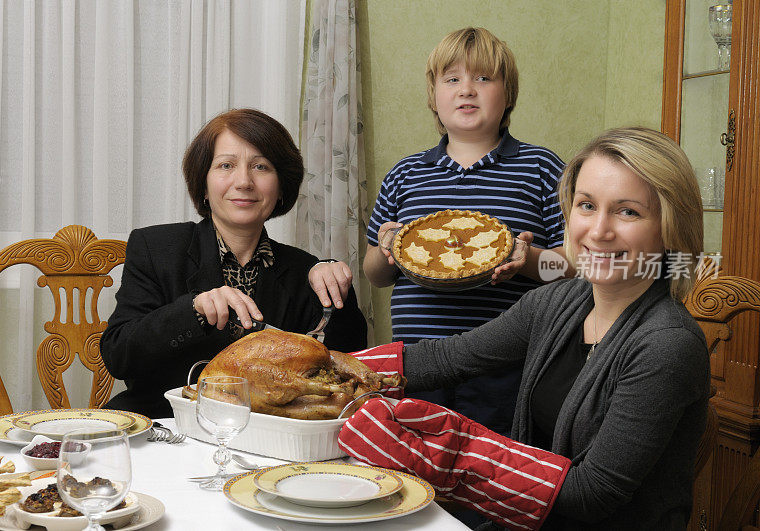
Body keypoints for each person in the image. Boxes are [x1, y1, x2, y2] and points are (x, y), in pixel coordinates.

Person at [340, 127, 709, 530]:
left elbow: (592, 493)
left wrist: (447, 452)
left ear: (671, 227)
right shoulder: (557, 302)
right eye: (586, 206)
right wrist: (329, 367)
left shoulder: (667, 343)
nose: (599, 231)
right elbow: (449, 357)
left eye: (628, 212)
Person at [364, 27, 568, 438]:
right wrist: (387, 245)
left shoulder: (542, 168)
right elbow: (375, 274)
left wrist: (525, 259)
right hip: (417, 363)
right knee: (416, 471)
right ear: (434, 96)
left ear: (508, 94)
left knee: (491, 474)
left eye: (483, 78)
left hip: (506, 365)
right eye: (452, 79)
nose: (466, 90)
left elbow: (568, 270)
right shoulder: (406, 175)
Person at [101, 109, 368, 418]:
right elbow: (119, 355)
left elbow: (347, 372)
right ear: (203, 182)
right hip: (163, 427)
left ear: (281, 187)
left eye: (261, 167)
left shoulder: (305, 270)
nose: (244, 181)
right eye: (226, 165)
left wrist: (338, 291)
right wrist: (193, 310)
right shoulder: (156, 247)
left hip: (268, 444)